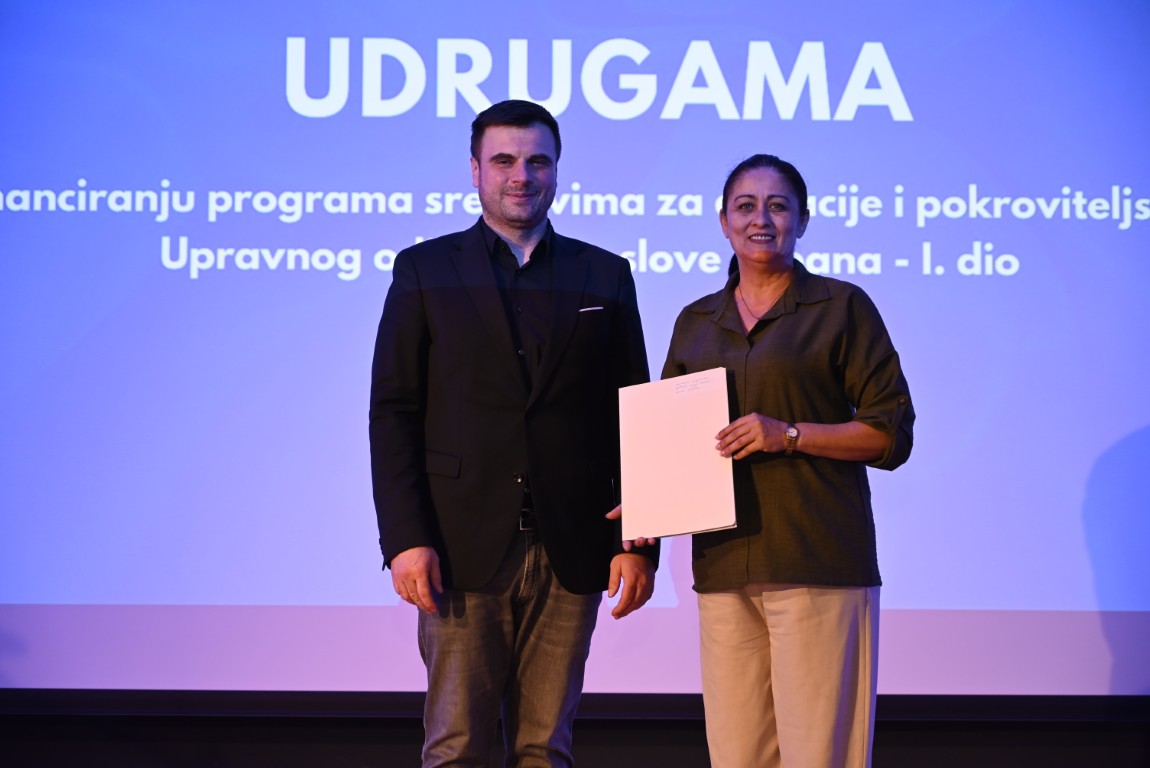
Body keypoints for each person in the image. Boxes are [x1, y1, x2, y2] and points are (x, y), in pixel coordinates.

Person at [368, 99, 658, 767]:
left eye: (537, 161)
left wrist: (640, 542)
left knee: (545, 750)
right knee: (456, 748)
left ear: (557, 170)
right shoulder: (425, 270)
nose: (521, 175)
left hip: (573, 546)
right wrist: (405, 538)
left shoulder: (604, 273)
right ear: (475, 170)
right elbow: (394, 411)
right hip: (458, 547)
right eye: (503, 161)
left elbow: (635, 414)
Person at [661, 154, 914, 767]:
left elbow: (890, 435)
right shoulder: (696, 322)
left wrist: (790, 435)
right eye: (745, 206)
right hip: (724, 565)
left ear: (803, 220)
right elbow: (669, 441)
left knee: (819, 754)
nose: (761, 219)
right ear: (723, 221)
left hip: (816, 560)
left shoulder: (841, 307)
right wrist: (646, 496)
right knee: (737, 754)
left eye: (778, 206)